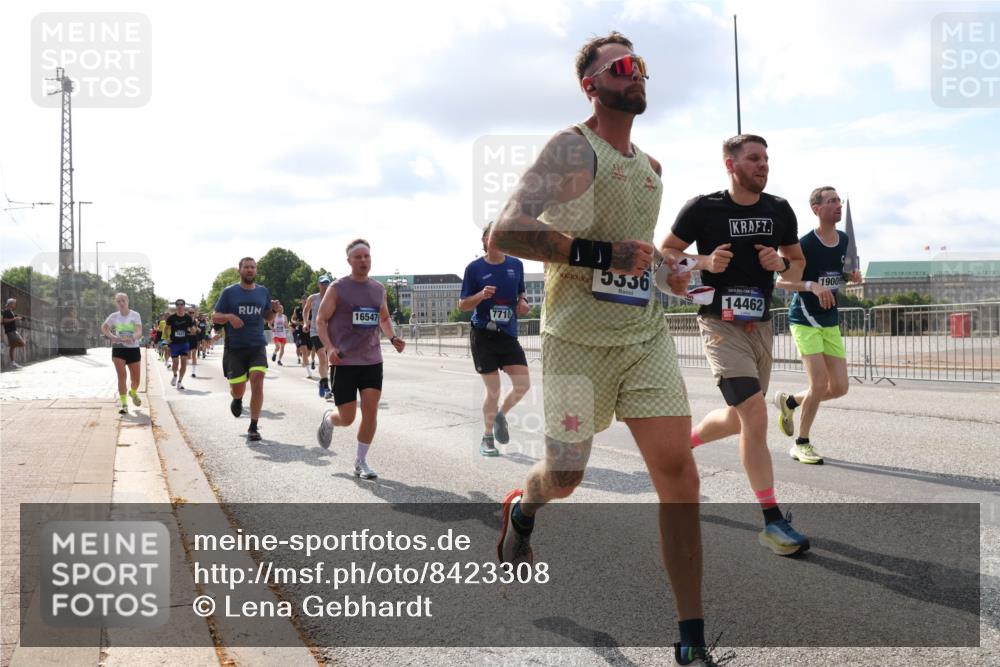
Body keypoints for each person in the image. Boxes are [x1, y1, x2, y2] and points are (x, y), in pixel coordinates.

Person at [491, 33, 717, 665]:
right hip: (575, 342)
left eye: (640, 64)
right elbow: (507, 229)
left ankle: (691, 639)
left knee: (679, 475)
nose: (635, 73)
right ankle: (524, 510)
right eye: (621, 65)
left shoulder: (652, 170)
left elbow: (640, 254)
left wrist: (669, 275)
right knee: (565, 477)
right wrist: (600, 254)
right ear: (590, 84)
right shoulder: (573, 147)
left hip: (643, 337)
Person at [662, 133, 810, 557]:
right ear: (730, 165)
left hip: (760, 327)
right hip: (719, 326)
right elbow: (666, 252)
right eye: (754, 158)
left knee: (739, 418)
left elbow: (797, 265)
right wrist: (703, 261)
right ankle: (772, 522)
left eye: (766, 158)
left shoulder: (779, 209)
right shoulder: (703, 208)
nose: (763, 165)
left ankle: (685, 444)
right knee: (755, 415)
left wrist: (782, 263)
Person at [773, 186, 862, 464]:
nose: (838, 205)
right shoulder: (805, 244)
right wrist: (811, 286)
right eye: (832, 201)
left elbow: (832, 275)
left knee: (840, 387)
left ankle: (790, 402)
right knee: (819, 383)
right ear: (817, 209)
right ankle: (801, 443)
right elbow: (781, 281)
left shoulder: (843, 239)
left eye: (839, 200)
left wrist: (848, 277)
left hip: (829, 319)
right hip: (805, 319)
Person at [315, 239, 405, 480]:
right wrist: (330, 348)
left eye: (367, 256)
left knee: (370, 410)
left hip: (371, 360)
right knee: (347, 417)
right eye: (358, 257)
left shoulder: (378, 289)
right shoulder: (338, 288)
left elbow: (383, 318)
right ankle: (329, 419)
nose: (364, 260)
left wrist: (393, 337)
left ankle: (360, 461)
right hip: (344, 361)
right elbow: (321, 320)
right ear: (349, 261)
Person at [459, 222, 531, 456]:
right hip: (483, 334)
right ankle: (487, 437)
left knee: (523, 384)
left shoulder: (516, 265)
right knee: (494, 390)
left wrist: (523, 302)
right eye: (494, 235)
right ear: (485, 240)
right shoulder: (474, 269)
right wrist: (481, 295)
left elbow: (521, 292)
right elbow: (462, 305)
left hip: (507, 334)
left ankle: (500, 415)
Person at [213, 257, 277, 442]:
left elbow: (267, 317)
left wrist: (274, 310)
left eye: (253, 267)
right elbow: (215, 317)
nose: (250, 270)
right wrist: (229, 317)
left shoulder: (263, 292)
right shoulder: (229, 292)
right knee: (238, 389)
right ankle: (237, 399)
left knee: (257, 380)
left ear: (256, 270)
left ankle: (253, 427)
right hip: (235, 347)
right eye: (246, 267)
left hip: (257, 345)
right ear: (239, 270)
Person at [101, 292, 143, 414]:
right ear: (116, 303)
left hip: (133, 348)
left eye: (123, 300)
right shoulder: (114, 316)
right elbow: (104, 327)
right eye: (118, 301)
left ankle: (133, 392)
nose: (121, 303)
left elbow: (139, 331)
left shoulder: (135, 315)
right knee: (122, 376)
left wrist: (133, 337)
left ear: (127, 301)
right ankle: (124, 405)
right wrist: (112, 336)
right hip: (119, 348)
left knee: (136, 380)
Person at [304, 276, 333, 395]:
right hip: (315, 331)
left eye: (327, 283)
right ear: (318, 285)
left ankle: (323, 380)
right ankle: (326, 388)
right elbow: (306, 310)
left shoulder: (333, 298)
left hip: (329, 332)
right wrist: (305, 323)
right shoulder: (313, 298)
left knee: (328, 360)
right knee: (322, 357)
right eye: (323, 284)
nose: (325, 286)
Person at [166, 300, 197, 390]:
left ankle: (179, 381)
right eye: (178, 304)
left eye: (181, 304)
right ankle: (175, 375)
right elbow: (166, 328)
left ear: (184, 306)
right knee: (175, 363)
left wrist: (193, 329)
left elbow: (192, 328)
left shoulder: (188, 318)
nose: (180, 306)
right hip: (174, 343)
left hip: (184, 343)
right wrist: (167, 338)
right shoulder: (171, 318)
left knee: (184, 363)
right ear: (176, 306)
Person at [2, 297, 26, 369]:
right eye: (14, 303)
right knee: (22, 343)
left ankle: (13, 363)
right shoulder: (6, 311)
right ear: (10, 304)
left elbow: (13, 317)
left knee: (13, 347)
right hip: (11, 331)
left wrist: (20, 318)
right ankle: (10, 346)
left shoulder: (10, 311)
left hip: (12, 331)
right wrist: (15, 318)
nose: (15, 304)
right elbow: (5, 321)